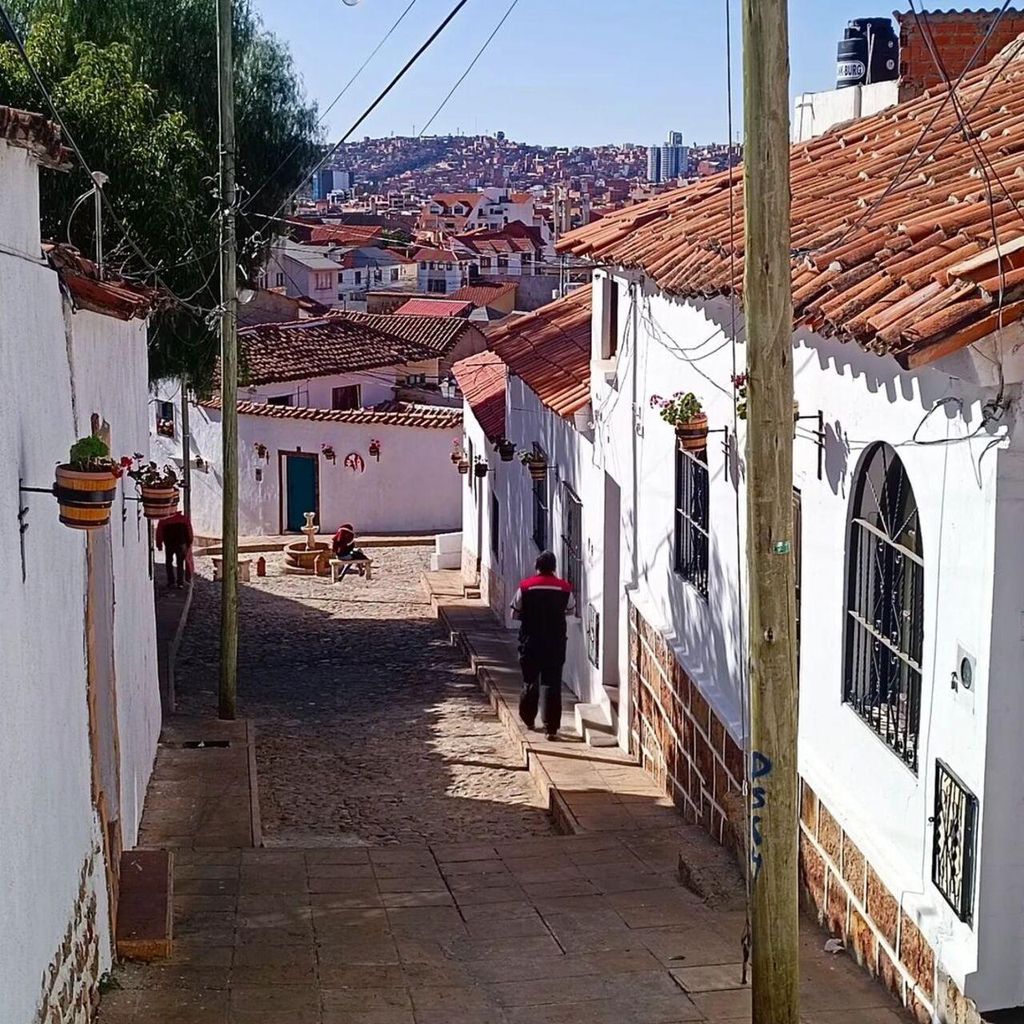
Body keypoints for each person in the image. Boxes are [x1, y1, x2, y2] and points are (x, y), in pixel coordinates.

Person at [511, 550, 575, 740]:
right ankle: (551, 727)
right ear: (554, 568)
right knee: (552, 683)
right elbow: (570, 611)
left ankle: (528, 718)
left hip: (530, 642)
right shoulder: (565, 589)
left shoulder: (525, 587)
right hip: (555, 643)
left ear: (537, 567)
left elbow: (515, 613)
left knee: (530, 681)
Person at [155, 509, 194, 590]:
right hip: (181, 544)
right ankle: (180, 583)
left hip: (169, 544)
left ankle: (171, 581)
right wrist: (189, 542)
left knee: (169, 562)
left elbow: (159, 532)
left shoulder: (164, 519)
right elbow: (189, 530)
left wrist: (159, 544)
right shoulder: (183, 519)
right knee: (180, 563)